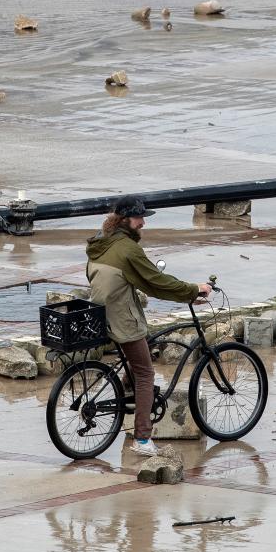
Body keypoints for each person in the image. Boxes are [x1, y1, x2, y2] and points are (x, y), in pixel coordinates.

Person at [85, 194, 212, 457]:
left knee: (143, 345)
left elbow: (114, 277)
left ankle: (127, 387)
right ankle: (142, 439)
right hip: (120, 318)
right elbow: (156, 282)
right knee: (146, 374)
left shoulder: (101, 241)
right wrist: (193, 289)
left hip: (99, 311)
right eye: (139, 217)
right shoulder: (129, 249)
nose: (143, 222)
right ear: (125, 220)